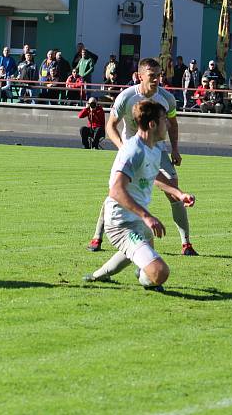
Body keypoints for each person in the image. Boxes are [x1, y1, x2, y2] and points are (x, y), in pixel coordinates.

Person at [86, 57, 199, 255]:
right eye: (152, 76)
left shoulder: (167, 98)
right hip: (132, 150)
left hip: (158, 150)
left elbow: (173, 124)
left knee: (173, 189)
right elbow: (110, 126)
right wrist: (123, 149)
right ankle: (97, 236)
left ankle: (186, 244)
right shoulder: (126, 97)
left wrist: (175, 149)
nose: (157, 80)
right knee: (118, 191)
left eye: (159, 76)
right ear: (140, 76)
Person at [83, 100, 196, 290]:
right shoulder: (133, 150)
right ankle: (146, 277)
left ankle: (98, 276)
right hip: (121, 224)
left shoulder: (151, 147)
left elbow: (152, 173)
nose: (167, 124)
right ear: (152, 125)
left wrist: (178, 193)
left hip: (137, 220)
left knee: (136, 251)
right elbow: (116, 190)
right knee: (160, 272)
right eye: (163, 120)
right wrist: (147, 216)